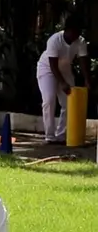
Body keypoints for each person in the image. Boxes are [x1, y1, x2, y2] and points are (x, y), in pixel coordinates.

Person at [36, 16, 91, 144]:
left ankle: (61, 135)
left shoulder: (80, 41)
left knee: (69, 102)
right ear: (67, 30)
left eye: (79, 32)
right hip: (47, 69)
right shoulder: (54, 40)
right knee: (49, 100)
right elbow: (53, 65)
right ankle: (50, 136)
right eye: (75, 31)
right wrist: (62, 82)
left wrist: (87, 79)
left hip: (65, 70)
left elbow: (83, 61)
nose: (76, 35)